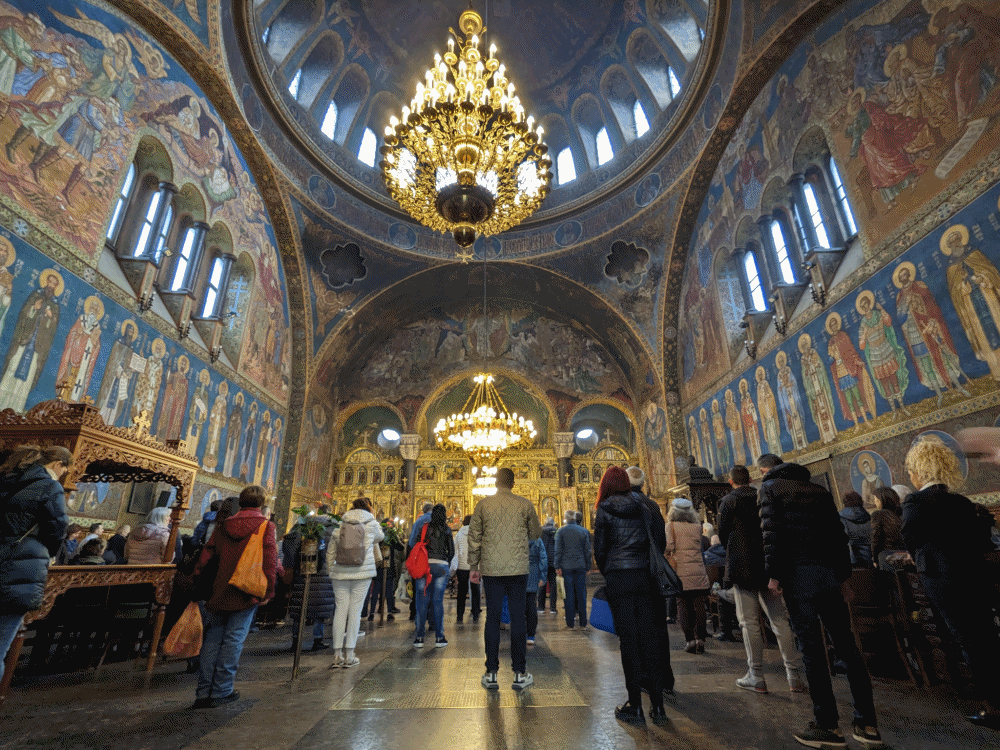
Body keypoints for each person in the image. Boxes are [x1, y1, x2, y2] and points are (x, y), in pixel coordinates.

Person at [757, 453, 882, 748]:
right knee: (847, 647)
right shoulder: (819, 489)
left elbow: (772, 535)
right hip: (828, 575)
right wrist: (843, 578)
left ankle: (827, 725)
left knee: (812, 650)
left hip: (798, 576)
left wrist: (774, 575)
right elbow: (838, 537)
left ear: (768, 471)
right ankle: (867, 724)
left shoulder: (770, 489)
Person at [902, 439, 1000, 729]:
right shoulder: (961, 502)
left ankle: (993, 707)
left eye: (911, 471)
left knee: (969, 641)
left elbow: (910, 538)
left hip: (942, 579)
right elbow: (979, 540)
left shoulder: (915, 502)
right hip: (975, 575)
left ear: (919, 471)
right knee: (987, 636)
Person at [717, 465, 804, 694]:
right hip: (768, 564)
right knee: (779, 620)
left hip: (743, 566)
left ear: (731, 481)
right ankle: (794, 675)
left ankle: (755, 675)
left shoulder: (728, 501)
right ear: (750, 479)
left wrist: (735, 549)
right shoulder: (763, 495)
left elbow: (723, 533)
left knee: (748, 622)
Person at [594, 466, 668, 724]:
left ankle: (635, 705)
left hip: (619, 579)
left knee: (629, 642)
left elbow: (600, 549)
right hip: (644, 577)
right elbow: (658, 541)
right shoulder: (644, 506)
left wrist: (610, 571)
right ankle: (658, 706)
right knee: (650, 640)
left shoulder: (604, 509)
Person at [191, 485, 277, 709]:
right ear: (261, 503)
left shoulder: (224, 524)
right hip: (246, 588)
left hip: (219, 587)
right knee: (234, 639)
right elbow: (269, 561)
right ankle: (221, 690)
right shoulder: (265, 526)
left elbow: (206, 555)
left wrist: (200, 578)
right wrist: (268, 590)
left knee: (212, 639)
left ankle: (203, 691)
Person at [0, 445, 70, 684]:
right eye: (65, 470)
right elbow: (57, 528)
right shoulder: (49, 486)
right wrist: (49, 553)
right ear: (57, 464)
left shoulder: (6, 479)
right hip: (20, 568)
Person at [468, 467, 542, 691]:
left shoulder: (483, 505)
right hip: (518, 569)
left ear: (495, 482)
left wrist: (474, 566)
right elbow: (535, 533)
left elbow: (474, 537)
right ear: (513, 483)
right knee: (518, 618)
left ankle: (491, 673)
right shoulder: (525, 504)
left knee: (492, 617)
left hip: (491, 569)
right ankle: (519, 673)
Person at [625, 466, 675, 696]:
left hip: (632, 573)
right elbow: (661, 541)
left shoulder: (622, 504)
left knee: (637, 627)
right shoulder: (653, 506)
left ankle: (645, 677)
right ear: (644, 484)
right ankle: (665, 678)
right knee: (658, 626)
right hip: (653, 573)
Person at [327, 497, 383, 667]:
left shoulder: (341, 524)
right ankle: (350, 654)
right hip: (361, 572)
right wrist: (373, 519)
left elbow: (331, 551)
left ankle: (337, 655)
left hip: (340, 572)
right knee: (355, 611)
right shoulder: (371, 524)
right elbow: (381, 537)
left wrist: (331, 570)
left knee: (340, 611)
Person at [282, 517, 335, 652]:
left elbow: (289, 551)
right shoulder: (330, 530)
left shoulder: (300, 529)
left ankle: (295, 640)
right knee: (319, 610)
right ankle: (318, 640)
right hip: (322, 575)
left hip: (301, 574)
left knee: (299, 610)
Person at [665, 497, 710, 654]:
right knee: (699, 604)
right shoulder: (697, 526)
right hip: (698, 570)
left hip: (680, 571)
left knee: (683, 604)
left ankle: (690, 641)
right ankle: (701, 640)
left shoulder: (671, 526)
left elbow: (669, 547)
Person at [412, 503, 453, 648]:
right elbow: (452, 551)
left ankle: (419, 638)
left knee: (422, 602)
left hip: (425, 567)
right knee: (437, 602)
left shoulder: (424, 527)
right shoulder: (447, 529)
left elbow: (416, 544)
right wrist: (445, 562)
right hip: (441, 566)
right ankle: (439, 638)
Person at [555, 508, 591, 631]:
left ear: (565, 518)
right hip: (580, 566)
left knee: (568, 595)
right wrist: (588, 566)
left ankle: (570, 624)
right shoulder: (583, 531)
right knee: (581, 595)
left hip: (566, 567)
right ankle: (583, 623)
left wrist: (557, 566)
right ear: (575, 518)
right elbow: (587, 551)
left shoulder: (561, 531)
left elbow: (558, 550)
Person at [455, 515, 480, 624]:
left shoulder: (459, 534)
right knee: (475, 591)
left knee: (461, 591)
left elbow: (456, 551)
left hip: (462, 566)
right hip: (474, 567)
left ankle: (460, 616)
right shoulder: (477, 533)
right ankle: (475, 614)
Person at [869, 487, 905, 566]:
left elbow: (876, 539)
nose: (875, 502)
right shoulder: (902, 513)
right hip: (905, 557)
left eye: (875, 499)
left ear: (881, 500)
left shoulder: (878, 515)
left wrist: (875, 559)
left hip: (887, 557)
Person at [839, 492, 873, 568]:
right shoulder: (870, 518)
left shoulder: (840, 519)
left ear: (844, 503)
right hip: (870, 559)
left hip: (851, 561)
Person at [525, 535, 547, 645]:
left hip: (518, 573)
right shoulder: (537, 540)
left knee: (518, 606)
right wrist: (542, 576)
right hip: (533, 573)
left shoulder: (515, 536)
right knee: (532, 605)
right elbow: (543, 558)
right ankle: (531, 635)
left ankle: (520, 632)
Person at [538, 515, 558, 615]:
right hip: (553, 561)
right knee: (553, 584)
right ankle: (553, 608)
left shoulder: (540, 531)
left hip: (543, 560)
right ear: (553, 522)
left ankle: (541, 607)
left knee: (542, 583)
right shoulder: (556, 531)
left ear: (545, 522)